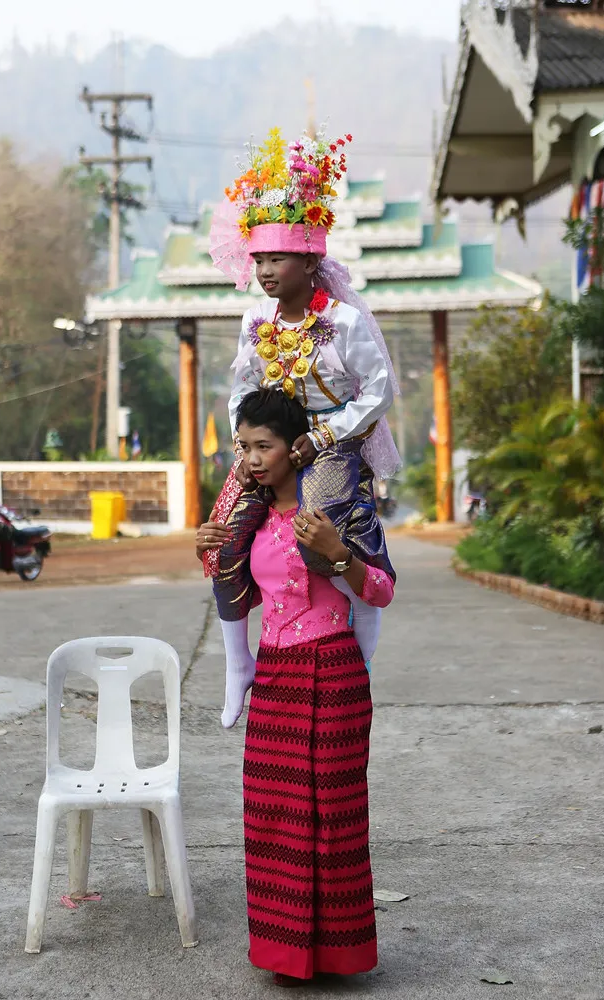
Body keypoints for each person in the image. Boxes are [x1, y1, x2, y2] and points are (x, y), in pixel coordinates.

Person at [196, 389, 395, 987]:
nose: (253, 458)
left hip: (334, 674)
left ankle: (339, 956)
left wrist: (338, 557)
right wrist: (209, 552)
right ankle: (285, 957)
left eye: (265, 445)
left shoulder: (342, 505)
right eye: (244, 446)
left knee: (334, 816)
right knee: (273, 815)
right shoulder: (249, 520)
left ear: (293, 446)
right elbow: (250, 595)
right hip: (276, 678)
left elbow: (381, 590)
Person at [207, 127, 400, 728]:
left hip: (330, 446)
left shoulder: (342, 322)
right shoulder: (255, 318)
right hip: (271, 442)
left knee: (325, 540)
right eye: (258, 258)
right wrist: (247, 444)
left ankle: (359, 658)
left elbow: (379, 390)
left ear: (311, 260)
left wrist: (325, 435)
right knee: (224, 537)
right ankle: (239, 664)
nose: (264, 270)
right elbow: (243, 383)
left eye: (276, 258)